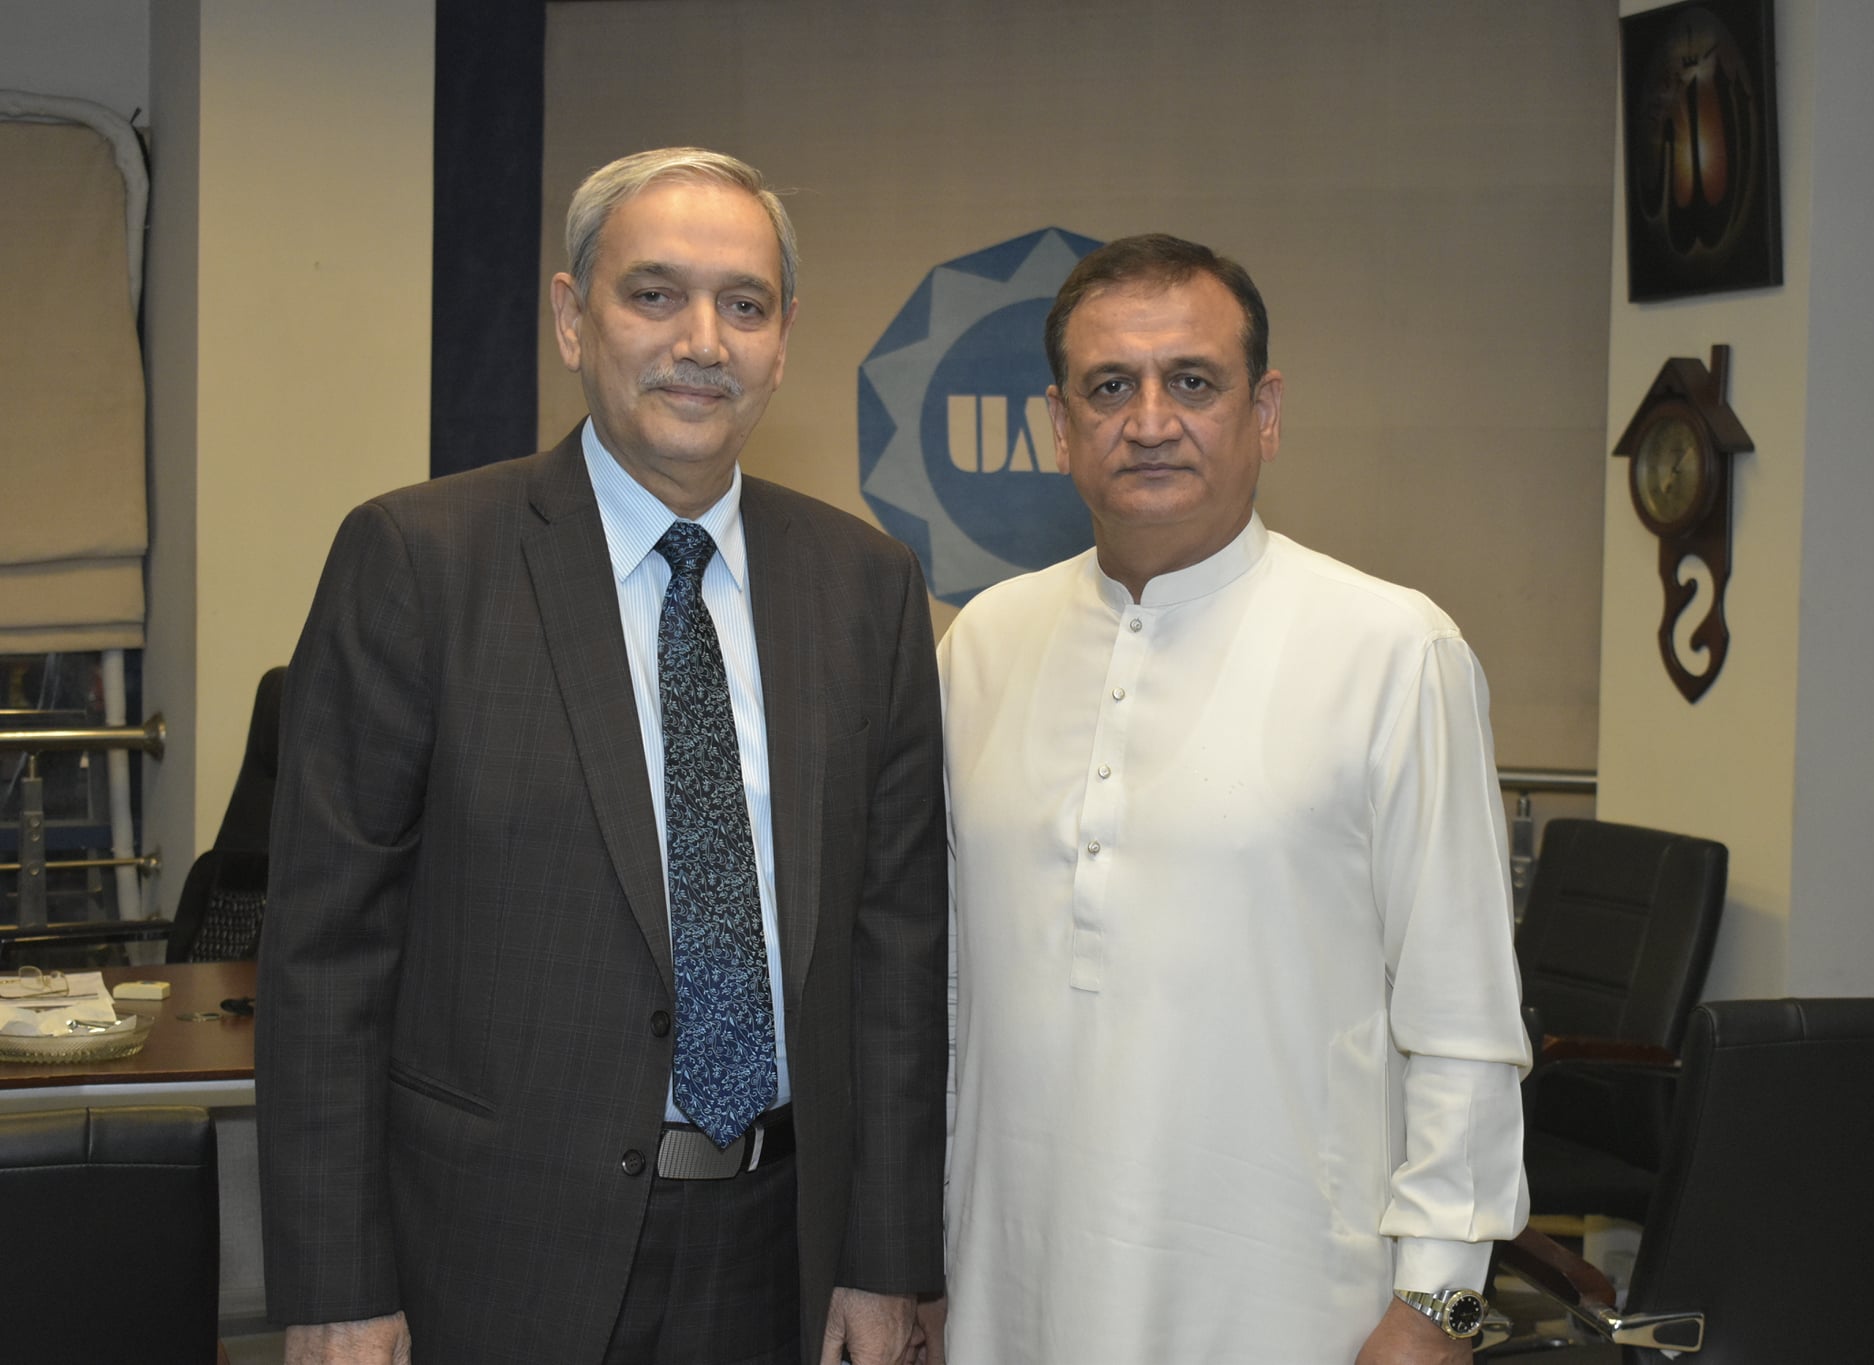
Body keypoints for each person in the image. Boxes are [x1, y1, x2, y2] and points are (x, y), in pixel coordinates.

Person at [257, 148, 948, 1365]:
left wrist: (886, 1258)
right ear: (573, 319)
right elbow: (325, 958)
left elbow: (894, 952)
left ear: (783, 342)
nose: (701, 341)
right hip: (492, 1253)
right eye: (654, 294)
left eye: (744, 304)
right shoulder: (419, 562)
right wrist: (334, 1289)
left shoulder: (866, 586)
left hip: (779, 1251)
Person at [932, 235, 1529, 1365]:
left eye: (1193, 382)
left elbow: (1461, 1017)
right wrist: (922, 1262)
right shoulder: (982, 647)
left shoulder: (1393, 651)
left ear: (1265, 412)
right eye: (1110, 386)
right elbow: (949, 1000)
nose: (1150, 420)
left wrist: (1439, 1301)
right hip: (1010, 1294)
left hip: (1295, 1307)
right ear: (1058, 425)